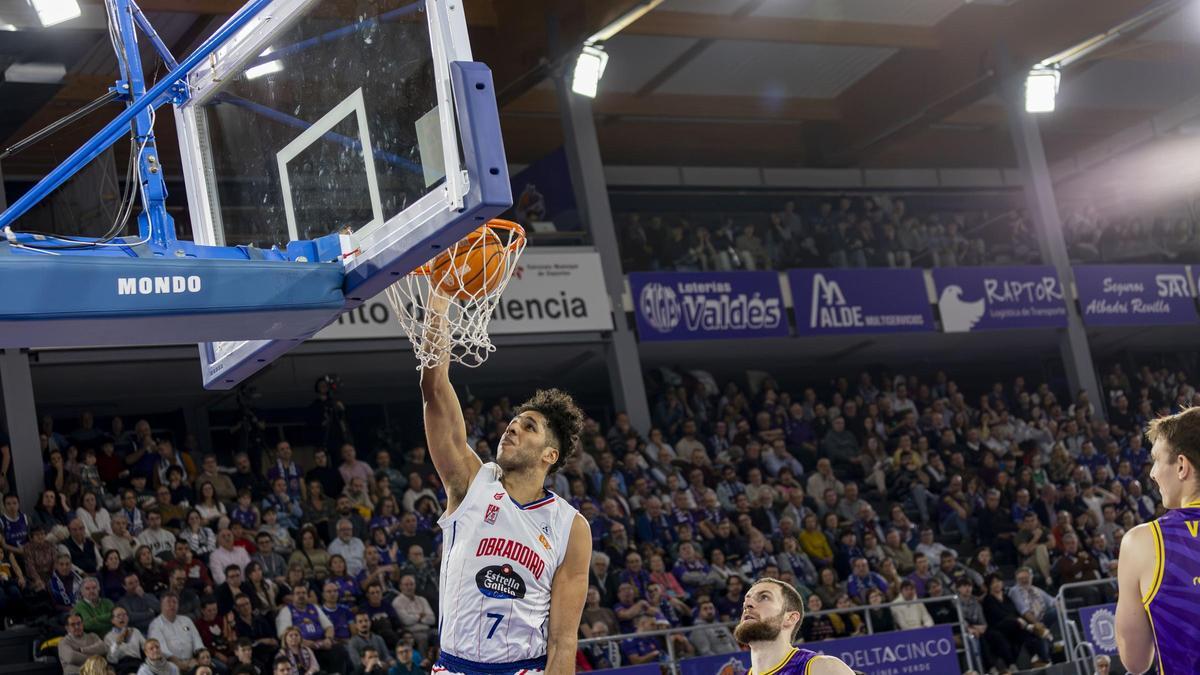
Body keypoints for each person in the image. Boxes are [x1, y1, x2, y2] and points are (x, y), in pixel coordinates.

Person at [420, 286, 591, 675]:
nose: (512, 429)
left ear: (550, 455)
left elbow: (564, 640)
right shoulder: (470, 483)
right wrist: (439, 301)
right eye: (512, 423)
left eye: (528, 427)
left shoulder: (571, 528)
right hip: (454, 666)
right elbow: (434, 389)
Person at [1118, 407, 1200, 673]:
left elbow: (1136, 660)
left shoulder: (1141, 543)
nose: (1152, 473)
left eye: (1156, 460)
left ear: (1181, 466)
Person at [735, 578, 854, 675]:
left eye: (764, 597)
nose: (747, 604)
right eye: (747, 599)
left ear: (790, 618)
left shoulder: (821, 668)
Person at [106, 605, 148, 675]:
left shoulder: (135, 631)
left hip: (138, 662)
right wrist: (117, 643)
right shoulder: (108, 637)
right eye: (118, 616)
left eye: (124, 615)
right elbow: (112, 659)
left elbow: (146, 647)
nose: (122, 618)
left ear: (128, 618)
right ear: (112, 620)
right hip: (122, 665)